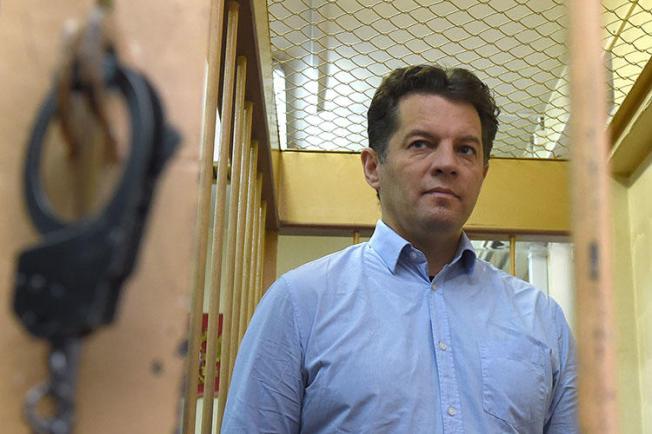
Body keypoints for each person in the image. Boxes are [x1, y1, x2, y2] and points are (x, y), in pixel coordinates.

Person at [221, 65, 578, 433]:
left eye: (466, 150)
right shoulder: (300, 303)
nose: (446, 164)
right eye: (421, 144)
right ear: (373, 167)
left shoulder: (541, 318)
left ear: (483, 174)